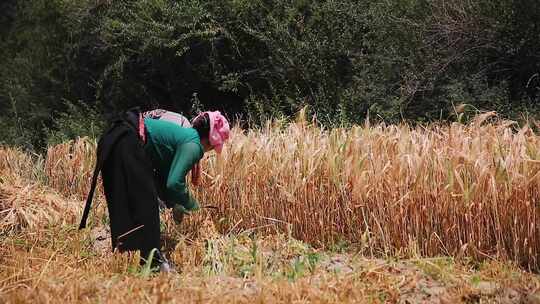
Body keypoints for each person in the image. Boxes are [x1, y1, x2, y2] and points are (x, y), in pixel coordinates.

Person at [79, 108, 230, 271]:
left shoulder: (182, 137)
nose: (209, 152)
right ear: (210, 141)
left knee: (126, 204)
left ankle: (132, 261)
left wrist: (174, 203)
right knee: (147, 206)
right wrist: (192, 204)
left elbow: (162, 181)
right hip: (126, 140)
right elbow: (174, 183)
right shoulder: (193, 145)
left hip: (114, 139)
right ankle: (154, 264)